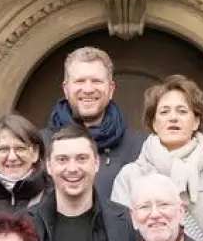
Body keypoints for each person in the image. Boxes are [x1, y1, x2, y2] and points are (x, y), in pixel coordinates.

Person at [110, 74, 203, 241]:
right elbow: (121, 238)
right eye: (164, 111)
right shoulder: (129, 176)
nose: (173, 117)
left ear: (196, 122)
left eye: (182, 111)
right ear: (154, 123)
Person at [43, 46, 146, 200]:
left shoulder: (141, 149)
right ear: (66, 88)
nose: (88, 89)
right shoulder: (40, 145)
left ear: (111, 89)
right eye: (80, 81)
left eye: (96, 81)